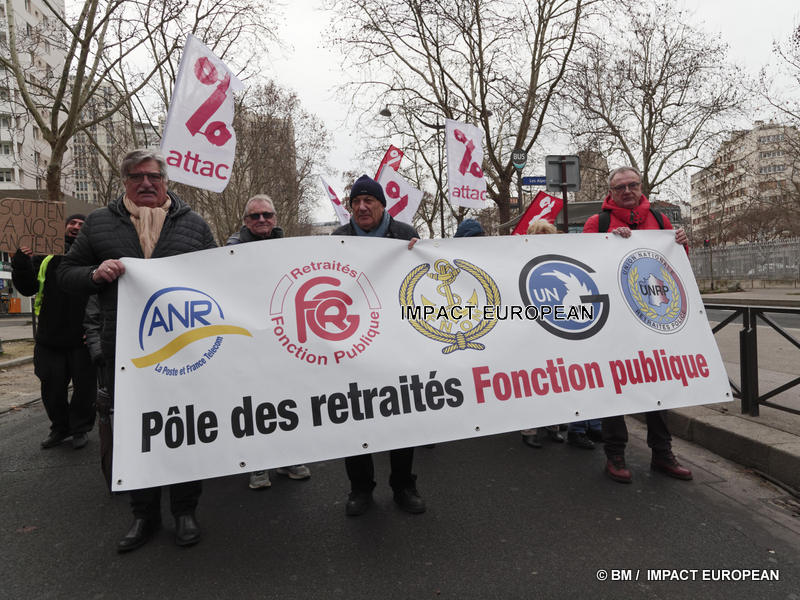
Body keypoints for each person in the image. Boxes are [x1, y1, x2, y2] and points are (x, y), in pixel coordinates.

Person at [58, 149, 216, 552]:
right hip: (122, 353)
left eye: (153, 176)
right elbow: (65, 274)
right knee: (133, 434)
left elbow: (221, 278)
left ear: (166, 181)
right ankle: (143, 516)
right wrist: (94, 274)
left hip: (184, 353)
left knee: (184, 429)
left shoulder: (195, 226)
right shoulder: (98, 223)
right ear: (124, 182)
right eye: (136, 177)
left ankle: (185, 511)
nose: (145, 183)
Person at [584, 166, 692, 483]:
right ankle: (615, 454)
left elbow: (676, 268)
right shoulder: (598, 223)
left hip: (652, 319)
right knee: (614, 386)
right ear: (610, 192)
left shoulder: (660, 221)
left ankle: (662, 453)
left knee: (658, 388)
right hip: (614, 322)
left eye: (633, 185)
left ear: (641, 187)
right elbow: (586, 265)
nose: (627, 191)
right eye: (620, 187)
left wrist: (681, 244)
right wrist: (609, 243)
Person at [332, 174, 424, 516]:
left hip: (397, 343)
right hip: (353, 343)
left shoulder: (404, 235)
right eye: (356, 201)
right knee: (354, 417)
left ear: (383, 205)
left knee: (400, 416)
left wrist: (419, 252)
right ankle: (360, 488)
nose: (361, 206)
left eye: (368, 200)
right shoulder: (338, 238)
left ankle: (403, 485)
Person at [225, 194, 311, 489]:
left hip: (284, 338)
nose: (262, 220)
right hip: (249, 339)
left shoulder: (288, 247)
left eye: (267, 215)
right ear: (245, 221)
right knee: (254, 403)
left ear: (275, 218)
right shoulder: (230, 251)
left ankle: (288, 458)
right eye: (255, 216)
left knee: (287, 400)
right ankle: (258, 464)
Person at [11, 214, 96, 450]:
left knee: (85, 390)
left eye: (81, 225)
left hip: (83, 338)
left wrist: (97, 330)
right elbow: (27, 288)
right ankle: (60, 428)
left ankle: (80, 428)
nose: (76, 227)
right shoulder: (43, 257)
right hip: (50, 338)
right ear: (63, 226)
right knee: (51, 388)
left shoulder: (93, 256)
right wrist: (20, 261)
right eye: (72, 223)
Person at [518, 219, 566, 448]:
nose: (543, 239)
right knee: (532, 379)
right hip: (530, 330)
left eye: (547, 234)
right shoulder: (519, 260)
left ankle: (553, 426)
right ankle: (529, 428)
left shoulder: (560, 260)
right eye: (538, 235)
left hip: (556, 328)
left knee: (557, 379)